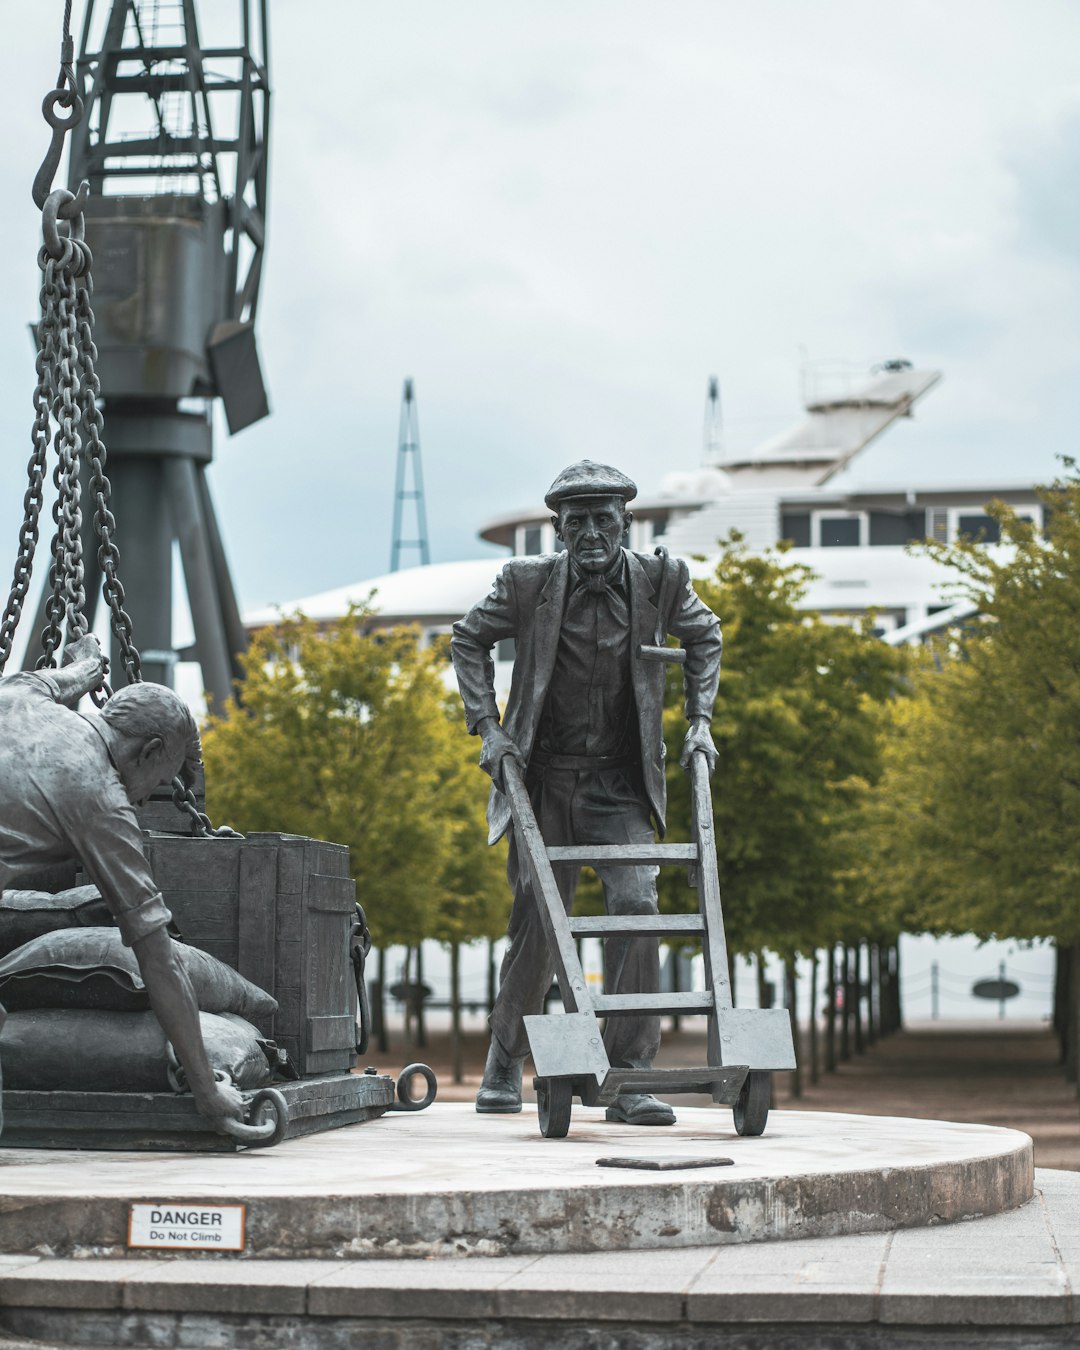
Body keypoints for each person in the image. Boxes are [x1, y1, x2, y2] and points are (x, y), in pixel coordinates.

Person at [452, 460, 722, 1125]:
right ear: (558, 529)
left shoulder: (661, 580)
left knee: (638, 906)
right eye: (579, 523)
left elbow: (704, 638)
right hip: (540, 781)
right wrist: (487, 728)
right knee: (538, 925)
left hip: (618, 786)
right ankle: (504, 1058)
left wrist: (699, 722)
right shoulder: (525, 584)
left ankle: (629, 1077)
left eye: (605, 519)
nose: (593, 533)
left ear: (626, 521)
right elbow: (468, 639)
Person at [0, 634, 244, 1136]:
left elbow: (74, 673)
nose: (144, 797)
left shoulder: (22, 692)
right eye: (159, 778)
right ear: (152, 751)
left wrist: (88, 662)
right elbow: (159, 958)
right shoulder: (101, 802)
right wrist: (206, 1088)